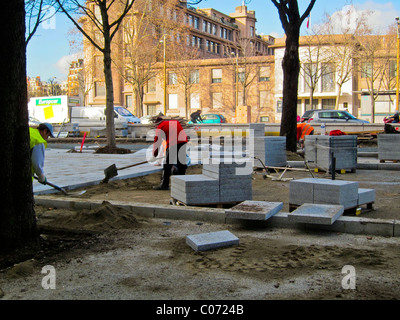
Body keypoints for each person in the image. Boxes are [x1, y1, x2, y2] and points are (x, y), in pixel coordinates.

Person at [150, 117, 188, 190]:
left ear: (156, 124)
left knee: (167, 165)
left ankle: (165, 185)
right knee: (181, 164)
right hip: (183, 142)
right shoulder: (174, 122)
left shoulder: (160, 127)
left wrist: (154, 155)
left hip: (172, 144)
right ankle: (182, 184)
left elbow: (157, 142)